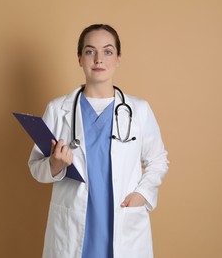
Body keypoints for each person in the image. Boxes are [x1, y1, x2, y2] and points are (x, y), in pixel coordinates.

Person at [28, 24, 168, 258]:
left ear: (118, 58)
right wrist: (55, 165)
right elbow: (35, 168)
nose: (99, 59)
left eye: (108, 51)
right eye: (90, 51)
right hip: (73, 227)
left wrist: (142, 194)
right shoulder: (57, 109)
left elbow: (158, 159)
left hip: (122, 222)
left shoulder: (139, 110)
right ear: (80, 59)